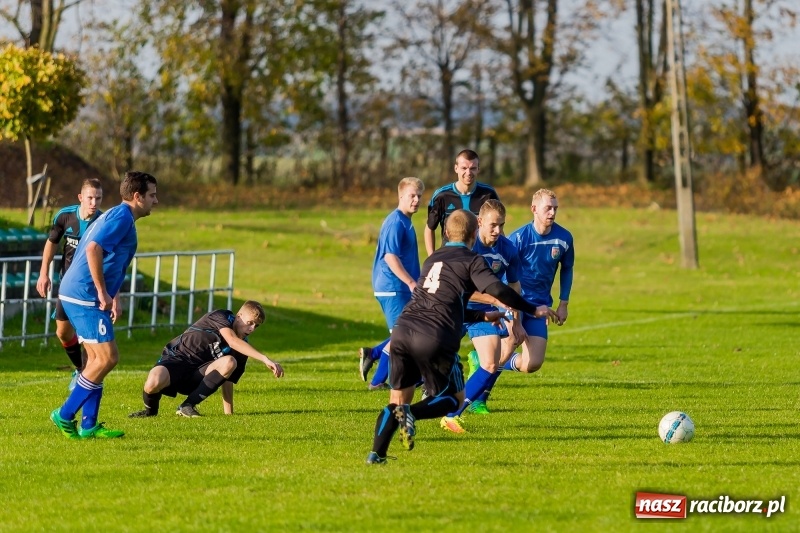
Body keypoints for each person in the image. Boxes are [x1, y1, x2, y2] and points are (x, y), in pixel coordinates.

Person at [366, 210, 557, 464]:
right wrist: (532, 309)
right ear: (474, 233)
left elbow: (442, 301)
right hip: (434, 335)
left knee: (397, 399)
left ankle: (375, 454)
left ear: (445, 233)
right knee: (453, 398)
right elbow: (498, 289)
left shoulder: (432, 260)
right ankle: (408, 413)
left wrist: (482, 317)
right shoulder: (472, 259)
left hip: (403, 331)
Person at [49, 171, 158, 440]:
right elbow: (93, 249)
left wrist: (111, 293)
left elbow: (110, 260)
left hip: (79, 291)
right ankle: (64, 414)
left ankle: (88, 425)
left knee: (97, 360)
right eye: (152, 195)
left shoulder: (118, 215)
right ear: (137, 196)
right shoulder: (121, 217)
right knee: (108, 357)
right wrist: (101, 291)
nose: (156, 201)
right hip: (85, 294)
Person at [439, 199, 524, 433]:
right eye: (493, 225)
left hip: (486, 314)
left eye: (501, 225)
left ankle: (452, 416)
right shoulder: (466, 247)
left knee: (490, 363)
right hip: (456, 308)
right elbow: (460, 287)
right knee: (435, 359)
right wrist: (495, 299)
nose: (498, 231)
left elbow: (514, 287)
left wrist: (516, 320)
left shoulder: (508, 250)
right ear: (479, 222)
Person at [128, 301, 284, 418]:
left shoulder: (242, 349)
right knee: (152, 383)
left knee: (230, 362)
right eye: (249, 323)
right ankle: (150, 412)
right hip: (176, 360)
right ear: (239, 316)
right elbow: (231, 340)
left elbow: (227, 380)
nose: (251, 329)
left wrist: (229, 415)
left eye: (256, 326)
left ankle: (187, 406)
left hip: (196, 377)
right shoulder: (220, 316)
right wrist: (265, 359)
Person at [36, 179, 120, 389]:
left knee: (88, 336)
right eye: (90, 198)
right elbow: (52, 243)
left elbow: (113, 265)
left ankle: (86, 375)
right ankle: (79, 368)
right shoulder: (65, 216)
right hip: (68, 287)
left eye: (98, 198)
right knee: (63, 333)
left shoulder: (104, 223)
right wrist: (43, 273)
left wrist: (114, 297)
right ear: (80, 198)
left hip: (92, 289)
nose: (94, 202)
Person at [358, 177, 424, 391]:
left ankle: (374, 354)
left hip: (400, 288)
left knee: (407, 333)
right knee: (404, 337)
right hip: (393, 287)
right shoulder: (396, 222)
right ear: (401, 196)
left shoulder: (406, 220)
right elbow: (390, 257)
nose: (416, 200)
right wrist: (411, 282)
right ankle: (377, 381)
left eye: (419, 196)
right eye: (412, 196)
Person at [501, 188, 573, 377]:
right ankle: (478, 397)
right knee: (508, 345)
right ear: (534, 208)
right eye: (548, 208)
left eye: (555, 208)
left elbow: (567, 269)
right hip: (515, 302)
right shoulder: (517, 238)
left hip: (540, 305)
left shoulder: (564, 238)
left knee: (532, 364)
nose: (552, 213)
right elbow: (504, 273)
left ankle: (484, 358)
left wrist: (563, 304)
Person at [423, 149, 499, 256]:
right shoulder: (442, 195)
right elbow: (430, 228)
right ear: (456, 168)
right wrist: (432, 257)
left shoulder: (489, 194)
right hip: (450, 258)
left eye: (473, 168)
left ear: (478, 169)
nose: (468, 173)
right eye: (464, 168)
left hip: (481, 258)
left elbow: (498, 225)